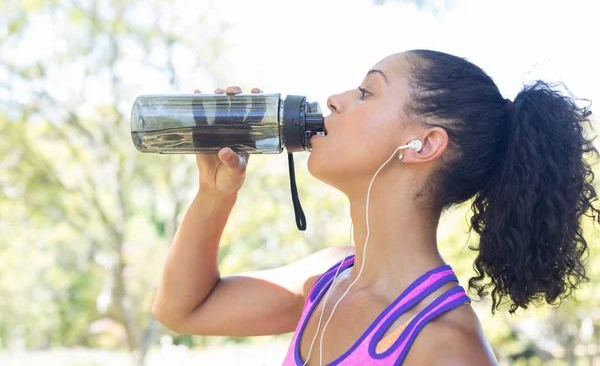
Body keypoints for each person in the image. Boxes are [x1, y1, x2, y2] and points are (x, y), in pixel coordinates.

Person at [151, 50, 599, 365]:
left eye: (367, 93)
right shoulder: (327, 280)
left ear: (423, 144)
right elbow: (181, 310)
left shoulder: (445, 347)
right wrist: (215, 193)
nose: (335, 100)